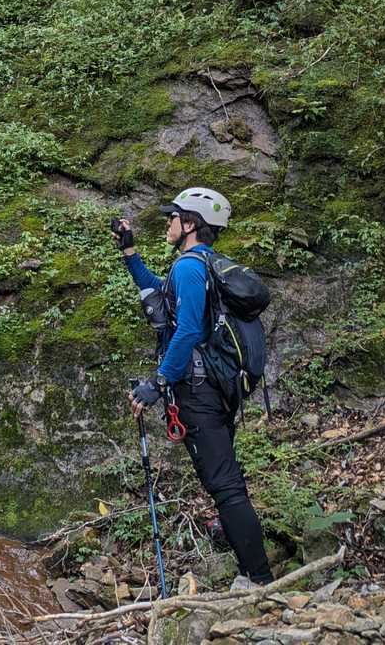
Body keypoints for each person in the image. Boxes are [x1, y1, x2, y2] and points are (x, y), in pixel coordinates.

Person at [112, 187, 273, 586]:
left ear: (190, 224)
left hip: (198, 393)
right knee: (225, 482)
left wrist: (158, 382)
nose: (168, 223)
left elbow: (186, 330)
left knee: (226, 487)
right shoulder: (200, 265)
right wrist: (129, 252)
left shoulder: (188, 267)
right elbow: (158, 294)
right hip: (215, 390)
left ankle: (259, 579)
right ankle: (250, 571)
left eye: (173, 217)